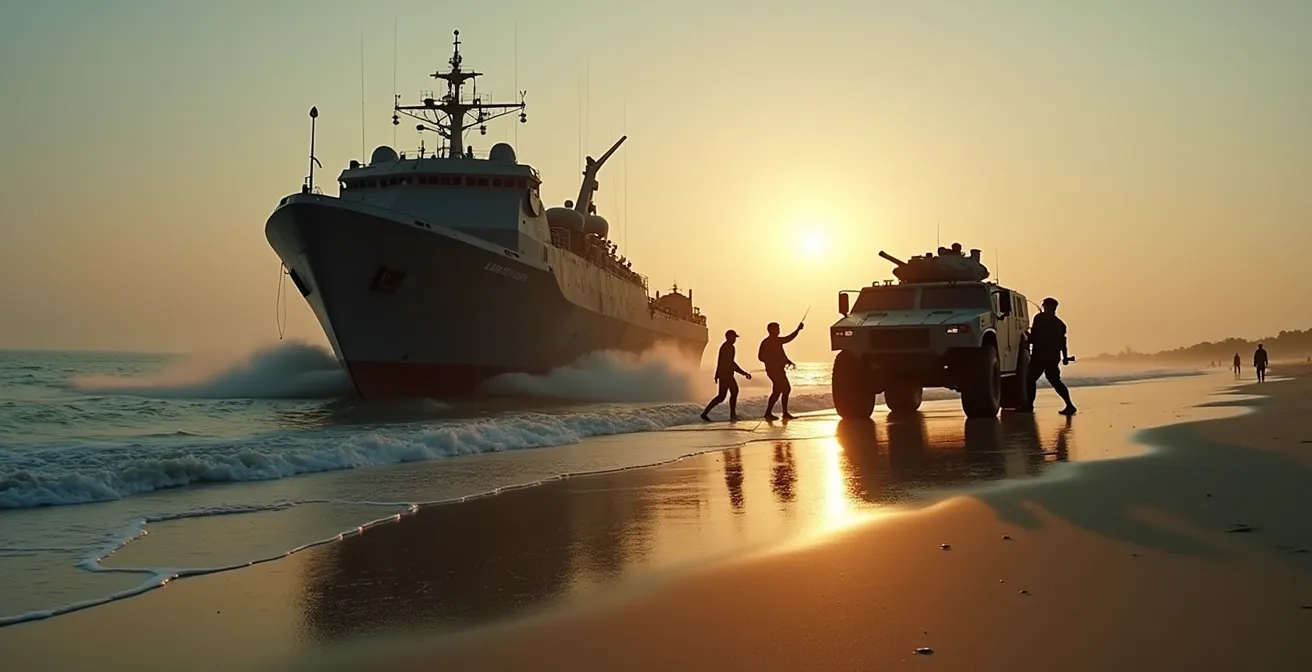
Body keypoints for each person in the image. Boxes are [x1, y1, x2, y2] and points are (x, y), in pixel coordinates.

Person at [1022, 297, 1077, 415]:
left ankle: (1029, 406)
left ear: (1050, 307)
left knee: (1031, 379)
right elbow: (1063, 343)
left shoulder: (1039, 318)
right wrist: (1065, 357)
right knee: (1055, 381)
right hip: (1053, 357)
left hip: (1040, 356)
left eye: (1045, 306)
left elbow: (1035, 336)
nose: (1044, 307)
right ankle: (1069, 405)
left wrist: (1026, 336)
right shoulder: (1061, 324)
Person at [701, 329, 751, 421]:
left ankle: (706, 413)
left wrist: (717, 374)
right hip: (726, 375)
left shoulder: (725, 346)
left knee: (723, 396)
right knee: (732, 392)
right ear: (729, 337)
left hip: (724, 374)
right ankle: (732, 415)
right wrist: (744, 373)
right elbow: (730, 363)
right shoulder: (728, 347)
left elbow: (720, 361)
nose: (735, 339)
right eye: (734, 337)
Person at [758, 321, 803, 421]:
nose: (779, 330)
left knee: (778, 391)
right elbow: (760, 357)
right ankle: (780, 413)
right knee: (785, 389)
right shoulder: (767, 342)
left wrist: (787, 361)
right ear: (770, 330)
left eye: (778, 328)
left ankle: (771, 413)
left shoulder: (777, 341)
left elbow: (781, 353)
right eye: (777, 329)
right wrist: (798, 329)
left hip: (778, 370)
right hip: (773, 371)